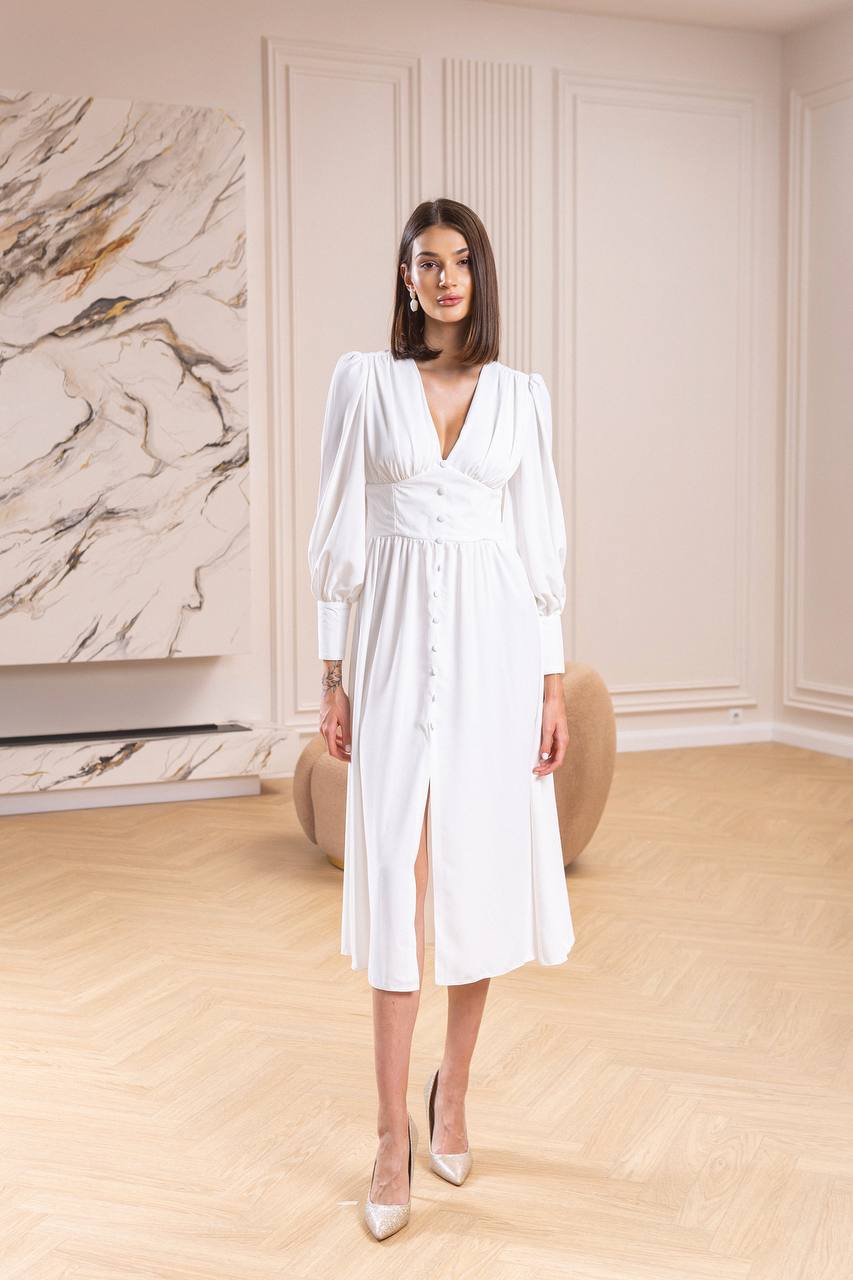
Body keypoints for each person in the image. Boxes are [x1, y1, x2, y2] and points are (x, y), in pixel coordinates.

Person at [307, 197, 575, 1239]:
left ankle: (450, 1088)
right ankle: (388, 1136)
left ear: (479, 274)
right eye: (427, 262)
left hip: (494, 653)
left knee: (474, 872)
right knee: (397, 881)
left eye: (460, 261)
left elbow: (537, 545)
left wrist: (550, 683)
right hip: (388, 648)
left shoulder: (521, 396)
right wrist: (332, 672)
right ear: (406, 276)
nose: (445, 278)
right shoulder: (363, 382)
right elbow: (338, 525)